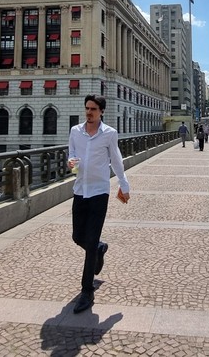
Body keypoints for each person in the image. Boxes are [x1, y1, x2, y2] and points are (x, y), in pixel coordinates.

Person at [68, 94, 130, 313]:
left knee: (91, 239)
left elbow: (116, 159)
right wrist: (71, 163)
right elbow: (72, 154)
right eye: (87, 108)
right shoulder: (75, 131)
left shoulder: (109, 134)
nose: (89, 112)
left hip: (99, 192)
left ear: (101, 111)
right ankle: (100, 249)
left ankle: (87, 292)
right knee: (78, 237)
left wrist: (124, 185)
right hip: (79, 190)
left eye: (93, 109)